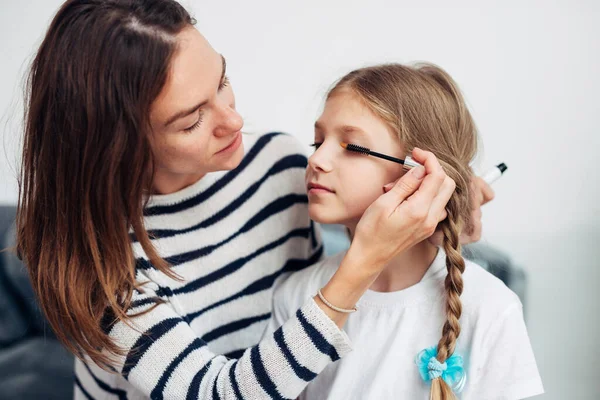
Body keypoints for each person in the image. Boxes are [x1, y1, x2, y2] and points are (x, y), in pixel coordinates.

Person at [15, 1, 485, 398]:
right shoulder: (99, 264)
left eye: (221, 81)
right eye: (192, 120)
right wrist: (363, 261)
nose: (233, 122)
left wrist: (445, 203)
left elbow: (317, 300)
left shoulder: (278, 165)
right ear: (117, 145)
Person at [266, 63, 544, 399]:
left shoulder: (490, 307)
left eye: (351, 146)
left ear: (421, 171)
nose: (316, 160)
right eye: (317, 142)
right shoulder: (296, 295)